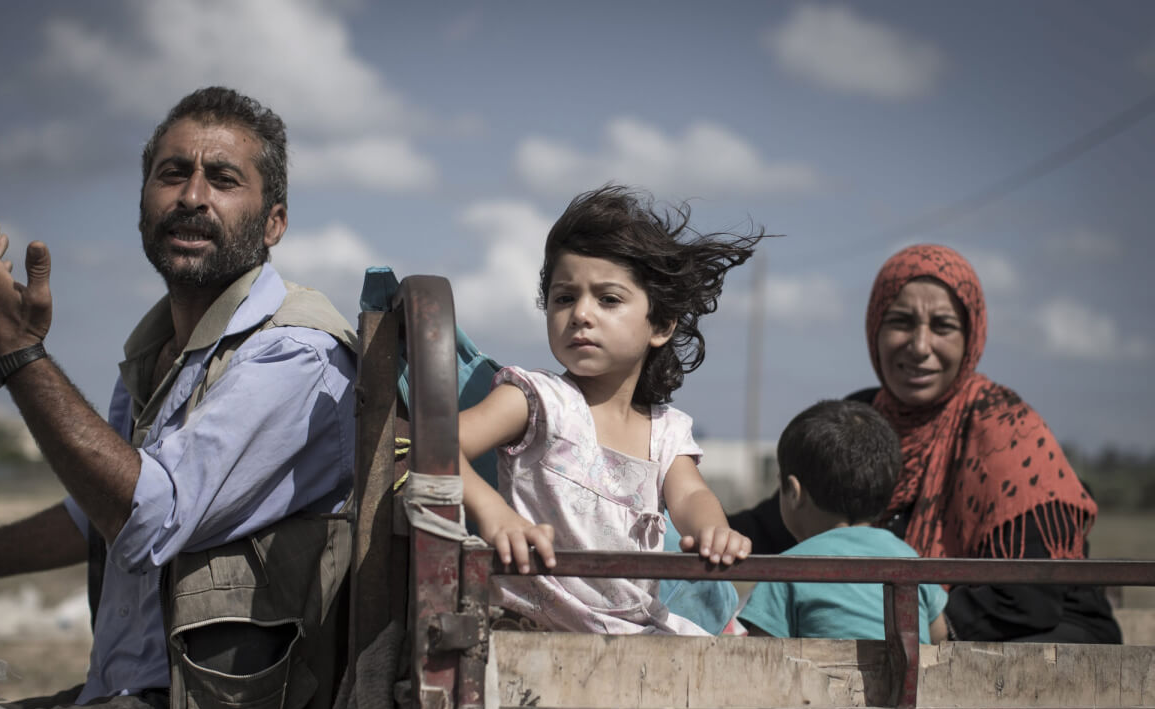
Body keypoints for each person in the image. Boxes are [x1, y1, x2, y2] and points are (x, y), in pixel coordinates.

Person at [0, 87, 359, 709]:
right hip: (125, 699)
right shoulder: (157, 357)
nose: (192, 196)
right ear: (144, 202)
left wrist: (19, 356)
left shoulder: (294, 356)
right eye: (173, 174)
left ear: (273, 224)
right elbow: (93, 515)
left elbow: (145, 519)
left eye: (223, 179)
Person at [729, 244, 1121, 644]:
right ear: (874, 329)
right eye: (900, 322)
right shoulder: (862, 417)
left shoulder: (1008, 431)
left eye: (943, 326)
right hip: (914, 632)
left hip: (1040, 638)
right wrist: (700, 529)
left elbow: (1029, 597)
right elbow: (787, 519)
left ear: (971, 336)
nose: (919, 346)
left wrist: (915, 629)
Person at [457, 185, 758, 635]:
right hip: (529, 628)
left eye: (608, 299)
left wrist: (714, 530)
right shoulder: (537, 400)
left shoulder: (667, 431)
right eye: (564, 297)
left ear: (660, 325)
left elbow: (691, 496)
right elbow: (436, 442)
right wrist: (493, 513)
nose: (581, 313)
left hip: (630, 634)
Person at [737, 399, 948, 643]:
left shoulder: (786, 570)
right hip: (909, 681)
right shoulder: (910, 558)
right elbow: (939, 636)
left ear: (794, 492)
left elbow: (760, 657)